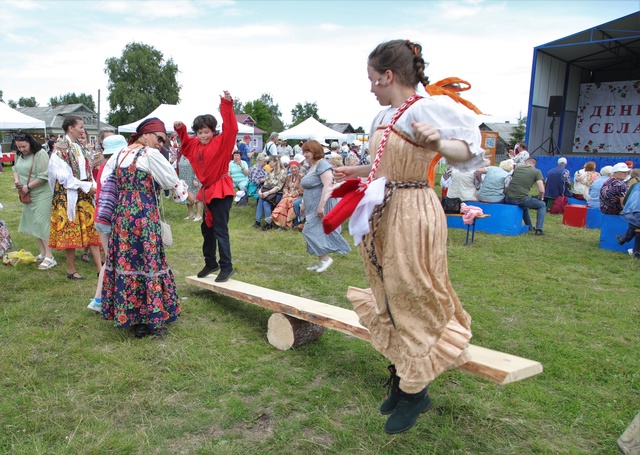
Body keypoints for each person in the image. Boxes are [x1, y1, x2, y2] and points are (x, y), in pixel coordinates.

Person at [333, 39, 485, 435]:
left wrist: (438, 143)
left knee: (412, 292)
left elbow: (467, 152)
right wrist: (356, 170)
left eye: (372, 79)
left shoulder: (427, 108)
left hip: (414, 210)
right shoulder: (384, 115)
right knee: (387, 290)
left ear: (389, 75)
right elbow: (384, 163)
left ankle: (417, 389)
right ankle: (402, 379)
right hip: (384, 207)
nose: (369, 88)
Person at [99, 119, 189, 337]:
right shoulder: (149, 155)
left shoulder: (119, 154)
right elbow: (171, 181)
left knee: (127, 262)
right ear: (146, 135)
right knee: (148, 262)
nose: (160, 143)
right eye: (159, 138)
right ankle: (150, 320)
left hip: (123, 217)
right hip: (144, 216)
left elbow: (104, 179)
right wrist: (183, 194)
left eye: (163, 140)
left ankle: (131, 317)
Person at [174, 91, 239, 282]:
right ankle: (211, 262)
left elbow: (232, 128)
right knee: (206, 228)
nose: (203, 135)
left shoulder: (222, 142)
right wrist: (181, 129)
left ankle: (227, 267)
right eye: (200, 132)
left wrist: (226, 105)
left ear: (213, 131)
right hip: (208, 190)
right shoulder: (195, 145)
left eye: (206, 132)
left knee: (220, 229)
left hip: (221, 189)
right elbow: (185, 143)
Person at [48, 115, 102, 280]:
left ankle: (101, 268)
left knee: (91, 228)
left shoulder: (79, 147)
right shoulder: (61, 148)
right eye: (80, 126)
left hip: (83, 193)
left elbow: (86, 170)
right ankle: (71, 270)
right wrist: (87, 186)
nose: (82, 130)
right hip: (69, 194)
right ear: (70, 128)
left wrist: (91, 185)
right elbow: (64, 178)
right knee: (70, 230)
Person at [87, 134, 128, 312]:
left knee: (110, 260)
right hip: (109, 219)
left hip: (100, 218)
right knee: (112, 260)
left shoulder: (103, 167)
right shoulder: (117, 168)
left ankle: (101, 298)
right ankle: (99, 299)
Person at [300, 140, 350, 272]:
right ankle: (320, 261)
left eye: (307, 151)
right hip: (310, 207)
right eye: (304, 152)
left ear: (315, 151)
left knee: (308, 231)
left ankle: (325, 259)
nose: (305, 154)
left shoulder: (323, 164)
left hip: (321, 205)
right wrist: (303, 205)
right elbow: (307, 188)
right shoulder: (312, 166)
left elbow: (328, 185)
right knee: (316, 232)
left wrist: (321, 206)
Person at [12, 132, 55, 270]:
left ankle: (50, 256)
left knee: (42, 223)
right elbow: (15, 168)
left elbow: (44, 175)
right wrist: (17, 181)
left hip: (41, 193)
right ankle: (42, 252)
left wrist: (28, 186)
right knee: (34, 222)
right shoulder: (18, 154)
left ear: (30, 143)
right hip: (26, 193)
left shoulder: (40, 154)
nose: (21, 149)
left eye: (24, 146)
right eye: (19, 147)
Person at [505, 157, 546, 235]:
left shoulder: (517, 168)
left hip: (508, 198)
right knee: (542, 205)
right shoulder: (536, 171)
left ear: (525, 163)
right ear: (534, 165)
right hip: (520, 199)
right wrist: (541, 198)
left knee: (525, 206)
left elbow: (509, 181)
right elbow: (541, 190)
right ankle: (539, 229)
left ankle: (530, 226)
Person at [255, 155, 287, 230]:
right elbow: (265, 183)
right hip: (268, 192)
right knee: (261, 200)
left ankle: (268, 223)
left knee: (266, 202)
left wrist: (267, 193)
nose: (268, 163)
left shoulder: (282, 172)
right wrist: (260, 191)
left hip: (277, 194)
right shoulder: (270, 172)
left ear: (275, 162)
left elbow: (279, 187)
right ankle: (257, 221)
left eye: (270, 161)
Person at [272, 160, 303, 230]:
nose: (293, 169)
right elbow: (285, 187)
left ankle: (285, 223)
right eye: (291, 168)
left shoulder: (302, 176)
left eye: (295, 168)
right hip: (289, 195)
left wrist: (294, 193)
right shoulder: (289, 177)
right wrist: (286, 192)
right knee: (285, 200)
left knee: (288, 201)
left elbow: (303, 189)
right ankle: (282, 223)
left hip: (298, 195)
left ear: (298, 168)